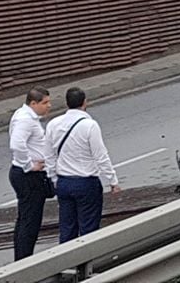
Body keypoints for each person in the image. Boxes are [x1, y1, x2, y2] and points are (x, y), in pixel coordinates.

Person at [46, 87, 121, 243]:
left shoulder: (53, 124)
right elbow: (100, 156)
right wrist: (112, 181)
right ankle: (86, 264)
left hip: (64, 183)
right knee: (89, 229)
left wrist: (54, 179)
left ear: (67, 103)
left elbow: (49, 156)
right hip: (86, 183)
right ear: (85, 102)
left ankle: (66, 262)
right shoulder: (89, 125)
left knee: (67, 229)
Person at [9, 86, 53, 260]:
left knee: (25, 220)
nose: (49, 106)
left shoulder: (26, 116)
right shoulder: (25, 120)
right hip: (28, 176)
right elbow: (17, 144)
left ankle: (22, 259)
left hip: (25, 174)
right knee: (30, 222)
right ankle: (23, 261)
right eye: (45, 103)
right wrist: (29, 165)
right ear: (33, 103)